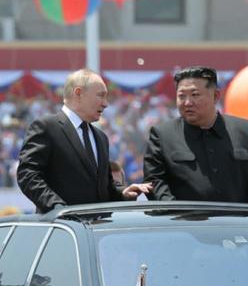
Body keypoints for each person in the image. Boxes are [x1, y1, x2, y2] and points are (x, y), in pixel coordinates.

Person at [17, 69, 151, 213]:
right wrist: (58, 208)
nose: (106, 104)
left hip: (96, 230)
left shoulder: (101, 138)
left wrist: (122, 193)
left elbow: (104, 188)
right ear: (78, 93)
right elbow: (28, 175)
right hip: (62, 229)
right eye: (101, 96)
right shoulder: (47, 127)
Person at [143, 66, 248, 204]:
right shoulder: (162, 135)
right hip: (183, 222)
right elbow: (155, 180)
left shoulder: (244, 131)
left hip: (236, 222)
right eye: (181, 96)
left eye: (195, 95)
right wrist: (173, 210)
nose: (187, 102)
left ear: (215, 96)